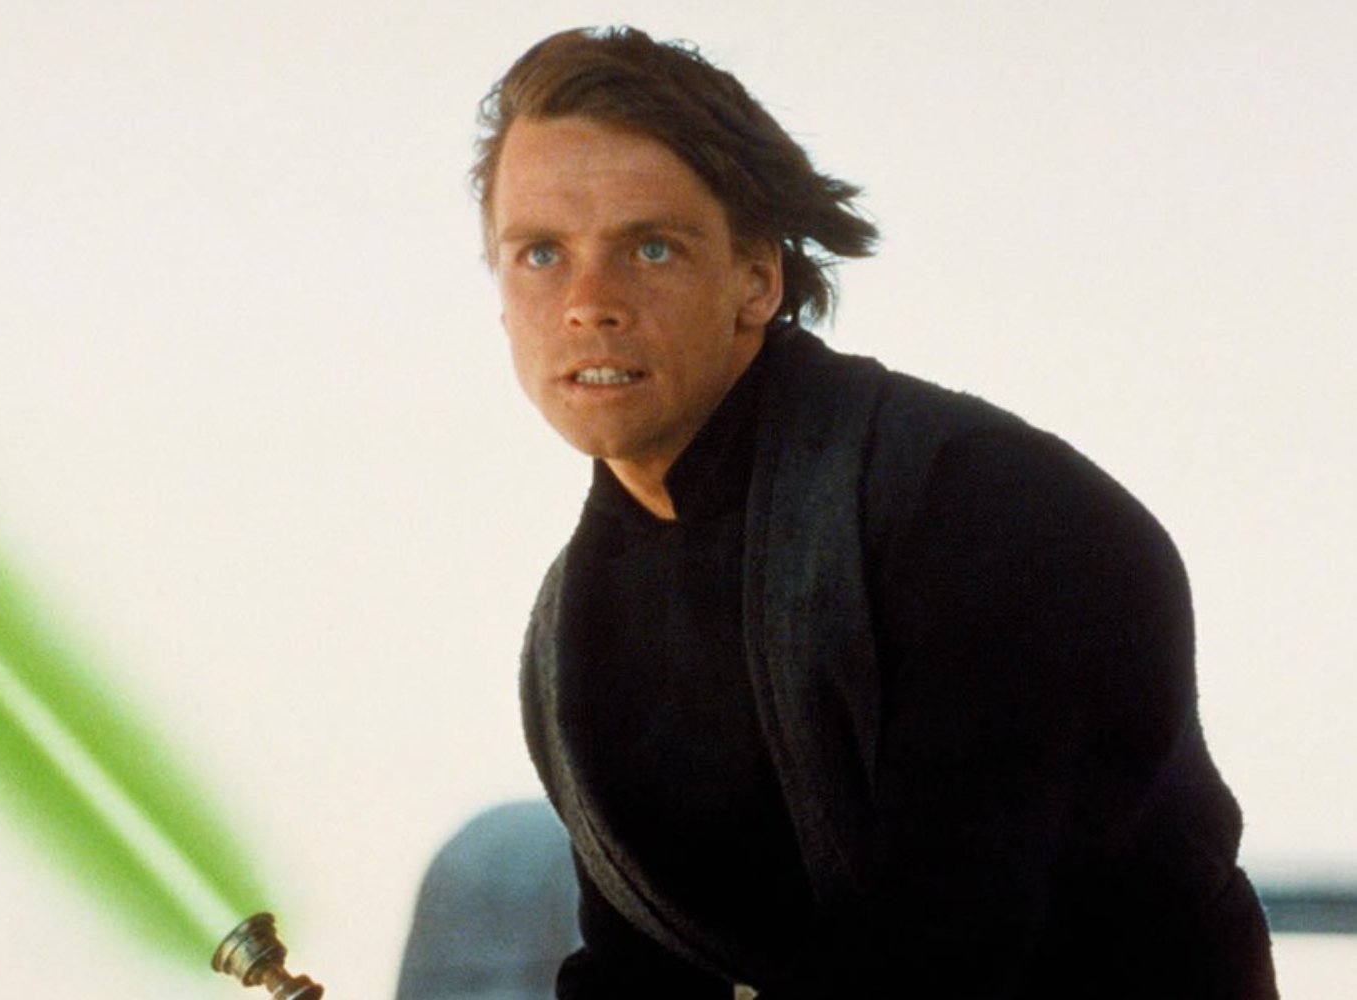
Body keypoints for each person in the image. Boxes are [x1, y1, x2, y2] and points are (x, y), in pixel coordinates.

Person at [471, 25, 1277, 999]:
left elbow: (944, 962)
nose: (589, 303)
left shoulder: (993, 513)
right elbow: (642, 971)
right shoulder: (574, 628)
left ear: (756, 278)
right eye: (541, 254)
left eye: (651, 247)